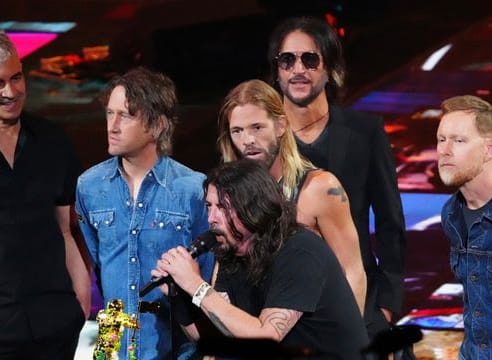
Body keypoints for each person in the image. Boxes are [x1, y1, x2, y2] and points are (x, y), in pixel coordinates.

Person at [0, 30, 90, 359]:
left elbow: (65, 227)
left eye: (16, 77)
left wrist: (80, 300)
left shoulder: (53, 141)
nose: (11, 92)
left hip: (56, 323)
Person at [268, 16, 406, 337]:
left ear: (329, 69)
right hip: (283, 302)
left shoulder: (365, 132)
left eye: (310, 59)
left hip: (358, 297)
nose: (298, 69)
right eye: (287, 60)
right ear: (277, 71)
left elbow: (390, 221)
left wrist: (386, 302)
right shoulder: (263, 139)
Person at [152, 159, 368, 359]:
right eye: (209, 206)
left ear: (253, 208)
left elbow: (266, 337)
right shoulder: (233, 251)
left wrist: (196, 286)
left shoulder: (301, 251)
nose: (211, 219)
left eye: (222, 208)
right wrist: (178, 296)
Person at [75, 66, 214, 360]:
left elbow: (207, 274)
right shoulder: (89, 186)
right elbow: (99, 261)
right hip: (113, 339)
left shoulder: (193, 188)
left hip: (174, 340)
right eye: (109, 114)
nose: (112, 126)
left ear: (158, 125)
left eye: (125, 116)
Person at [218, 78, 366, 313]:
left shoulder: (320, 188)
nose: (247, 141)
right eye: (237, 131)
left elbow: (352, 271)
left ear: (281, 125)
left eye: (257, 127)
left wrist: (349, 343)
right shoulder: (226, 199)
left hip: (314, 334)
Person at [437, 95, 492, 359]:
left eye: (459, 141)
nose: (445, 150)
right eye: (441, 140)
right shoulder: (452, 213)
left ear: (489, 149)